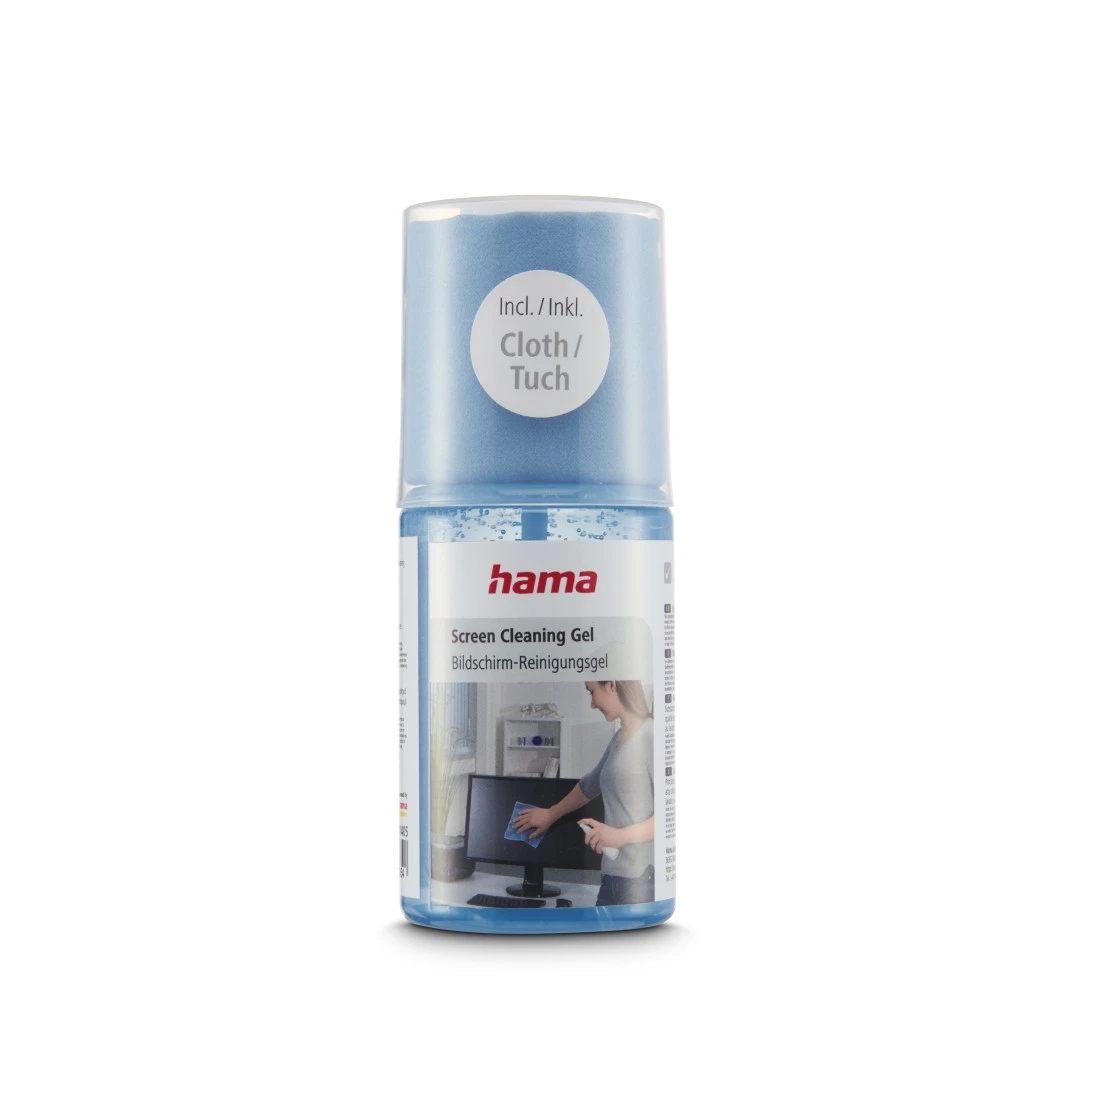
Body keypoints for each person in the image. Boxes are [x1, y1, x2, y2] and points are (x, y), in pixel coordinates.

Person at [512, 680, 655, 905]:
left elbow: (672, 817)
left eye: (592, 692)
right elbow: (589, 785)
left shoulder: (651, 735)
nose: (592, 704)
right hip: (612, 876)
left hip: (641, 878)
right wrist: (550, 814)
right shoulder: (620, 737)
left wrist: (618, 837)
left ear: (612, 685)